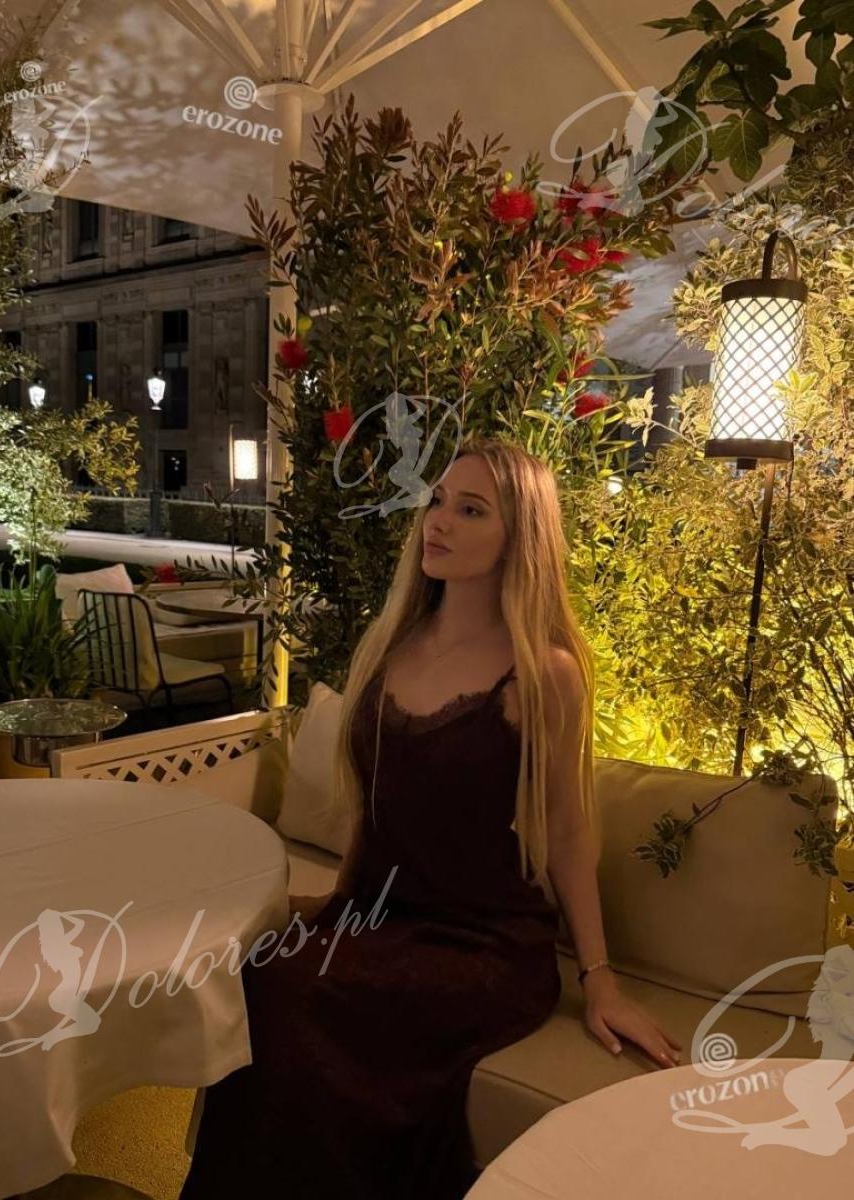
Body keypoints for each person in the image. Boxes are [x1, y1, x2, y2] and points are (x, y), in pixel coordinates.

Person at [179, 435, 682, 1200]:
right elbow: (377, 805)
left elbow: (568, 831)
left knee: (297, 995)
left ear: (520, 538)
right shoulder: (393, 644)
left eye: (471, 510)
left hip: (484, 944)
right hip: (383, 919)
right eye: (437, 501)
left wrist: (600, 979)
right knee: (258, 971)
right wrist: (340, 903)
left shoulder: (542, 672)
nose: (438, 522)